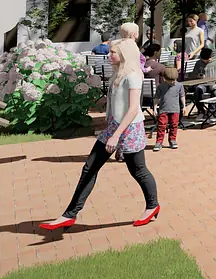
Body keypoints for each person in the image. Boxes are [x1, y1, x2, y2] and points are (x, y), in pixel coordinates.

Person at [39, 39, 160, 231]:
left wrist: (115, 135)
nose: (108, 55)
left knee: (138, 170)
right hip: (114, 126)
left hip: (129, 129)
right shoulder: (117, 74)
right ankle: (69, 215)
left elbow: (133, 109)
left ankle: (152, 206)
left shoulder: (133, 75)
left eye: (113, 52)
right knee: (89, 168)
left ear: (124, 54)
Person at [153, 58, 184, 152]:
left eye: (174, 80)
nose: (172, 82)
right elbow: (156, 98)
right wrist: (154, 108)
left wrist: (184, 106)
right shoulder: (161, 87)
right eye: (170, 81)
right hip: (163, 109)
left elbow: (182, 95)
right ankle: (159, 142)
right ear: (164, 79)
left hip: (175, 109)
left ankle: (172, 140)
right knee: (162, 125)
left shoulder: (179, 86)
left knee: (174, 125)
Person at [190, 48, 216, 123]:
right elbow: (193, 74)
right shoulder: (198, 63)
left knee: (215, 92)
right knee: (198, 90)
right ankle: (201, 111)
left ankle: (211, 112)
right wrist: (198, 76)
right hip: (203, 84)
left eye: (206, 59)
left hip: (213, 84)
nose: (205, 61)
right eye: (203, 59)